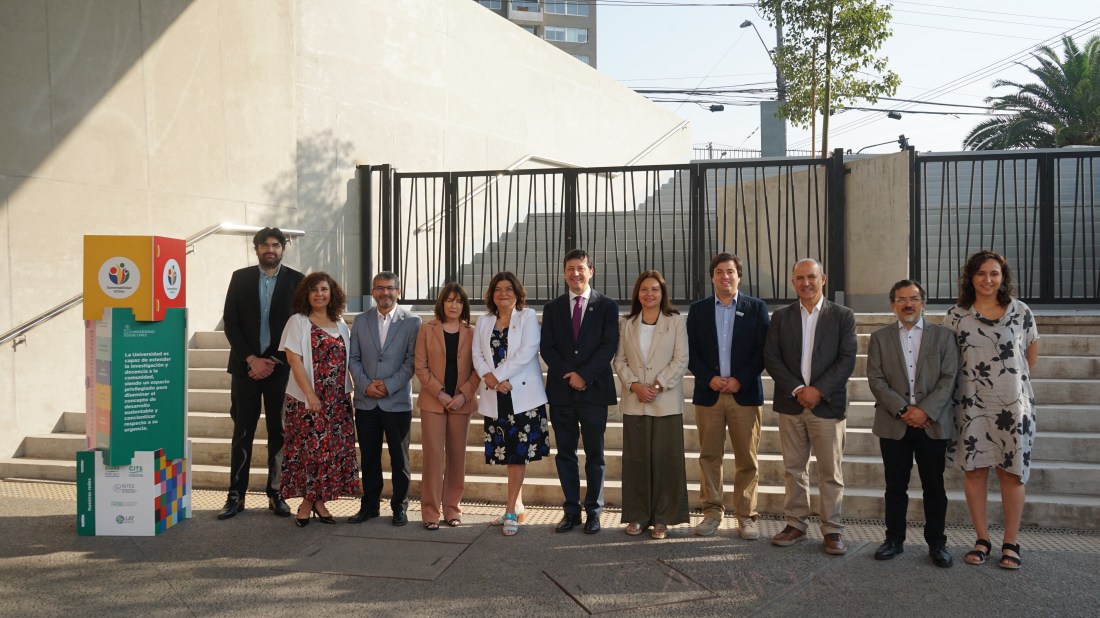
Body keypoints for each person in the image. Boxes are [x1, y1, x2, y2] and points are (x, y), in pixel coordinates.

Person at [945, 251, 1039, 570]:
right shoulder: (956, 315)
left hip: (1012, 406)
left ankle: (1010, 543)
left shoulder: (1021, 311)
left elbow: (1029, 356)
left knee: (1012, 474)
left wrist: (1008, 386)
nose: (988, 279)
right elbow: (948, 360)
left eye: (994, 273)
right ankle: (982, 539)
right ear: (970, 277)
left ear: (1003, 277)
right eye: (981, 273)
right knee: (975, 471)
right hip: (971, 405)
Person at [764, 258, 857, 555]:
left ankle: (832, 529)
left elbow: (847, 359)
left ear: (823, 279)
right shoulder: (781, 317)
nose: (806, 283)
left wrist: (818, 390)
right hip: (791, 403)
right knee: (793, 469)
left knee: (830, 472)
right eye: (800, 278)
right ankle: (795, 524)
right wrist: (797, 389)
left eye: (811, 277)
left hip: (827, 405)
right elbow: (772, 358)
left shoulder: (842, 315)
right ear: (793, 282)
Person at [866, 280, 958, 567]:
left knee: (934, 488)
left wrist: (925, 411)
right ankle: (894, 540)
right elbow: (876, 379)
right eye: (901, 299)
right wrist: (904, 409)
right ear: (893, 304)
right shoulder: (879, 338)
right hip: (894, 423)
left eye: (914, 298)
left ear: (923, 303)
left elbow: (949, 378)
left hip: (932, 423)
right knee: (895, 487)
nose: (908, 304)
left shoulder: (944, 336)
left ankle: (937, 544)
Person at [218, 227, 304, 520]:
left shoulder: (297, 281)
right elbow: (231, 322)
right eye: (265, 245)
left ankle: (276, 493)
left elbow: (299, 325)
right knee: (242, 431)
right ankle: (236, 496)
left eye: (275, 245)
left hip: (280, 369)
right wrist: (252, 359)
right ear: (256, 249)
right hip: (245, 368)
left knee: (279, 431)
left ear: (282, 249)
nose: (270, 249)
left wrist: (273, 360)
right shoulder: (240, 278)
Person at [686, 253, 771, 540]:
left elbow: (763, 351)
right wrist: (708, 378)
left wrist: (740, 379)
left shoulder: (756, 308)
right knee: (710, 456)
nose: (725, 276)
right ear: (712, 277)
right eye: (719, 272)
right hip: (708, 394)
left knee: (747, 458)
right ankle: (712, 513)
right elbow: (690, 351)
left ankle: (746, 516)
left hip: (744, 395)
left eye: (730, 271)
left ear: (739, 276)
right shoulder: (698, 310)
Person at [541, 249, 620, 534]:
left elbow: (609, 346)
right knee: (565, 454)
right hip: (562, 392)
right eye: (570, 269)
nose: (576, 273)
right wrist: (570, 375)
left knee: (595, 454)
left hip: (594, 391)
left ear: (591, 272)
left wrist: (584, 375)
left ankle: (594, 512)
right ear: (564, 273)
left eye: (581, 268)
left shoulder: (607, 306)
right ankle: (571, 511)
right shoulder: (553, 308)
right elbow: (547, 347)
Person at [278, 272, 360, 527]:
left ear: (332, 293)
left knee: (329, 453)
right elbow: (293, 360)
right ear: (306, 294)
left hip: (337, 400)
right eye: (314, 290)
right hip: (307, 400)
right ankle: (307, 503)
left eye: (324, 289)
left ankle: (318, 501)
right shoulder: (298, 321)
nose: (319, 294)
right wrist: (310, 394)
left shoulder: (340, 323)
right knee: (310, 452)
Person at [613, 270, 690, 540]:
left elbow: (681, 359)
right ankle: (638, 515)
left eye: (655, 289)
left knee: (666, 460)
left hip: (665, 401)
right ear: (637, 294)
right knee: (636, 460)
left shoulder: (675, 321)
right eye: (644, 289)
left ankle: (663, 518)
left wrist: (657, 386)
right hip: (635, 400)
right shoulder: (627, 323)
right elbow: (619, 360)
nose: (649, 294)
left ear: (662, 293)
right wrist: (635, 385)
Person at [473, 272, 549, 536]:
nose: (503, 293)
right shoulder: (484, 321)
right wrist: (491, 379)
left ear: (517, 292)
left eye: (508, 289)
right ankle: (517, 504)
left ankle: (509, 509)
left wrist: (498, 376)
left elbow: (527, 352)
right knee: (507, 453)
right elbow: (477, 354)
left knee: (517, 454)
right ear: (491, 294)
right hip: (496, 394)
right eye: (497, 289)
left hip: (522, 395)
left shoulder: (527, 316)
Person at [348, 272, 422, 526]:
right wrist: (365, 385)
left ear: (398, 292)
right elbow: (353, 358)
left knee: (399, 459)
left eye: (390, 288)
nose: (384, 292)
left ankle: (400, 506)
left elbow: (412, 361)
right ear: (372, 292)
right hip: (366, 401)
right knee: (369, 457)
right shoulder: (360, 321)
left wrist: (388, 386)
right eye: (379, 288)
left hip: (396, 401)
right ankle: (369, 506)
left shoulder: (412, 321)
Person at [414, 283, 480, 530]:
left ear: (464, 306)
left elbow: (478, 368)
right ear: (442, 303)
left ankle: (452, 509)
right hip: (434, 401)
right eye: (449, 300)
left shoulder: (472, 332)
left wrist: (464, 394)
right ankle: (430, 512)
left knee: (456, 456)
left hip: (461, 402)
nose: (454, 305)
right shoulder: (426, 329)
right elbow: (420, 366)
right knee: (433, 457)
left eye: (459, 301)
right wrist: (439, 393)